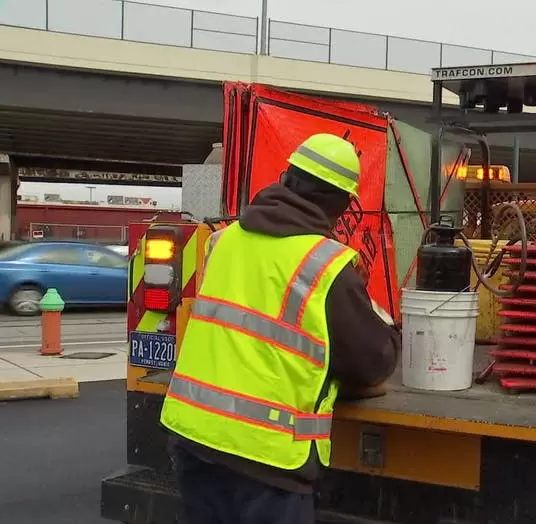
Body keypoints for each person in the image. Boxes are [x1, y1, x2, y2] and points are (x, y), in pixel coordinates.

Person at [160, 133, 401, 524]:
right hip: (267, 458)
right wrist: (390, 334)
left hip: (195, 439)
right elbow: (371, 362)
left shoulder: (222, 242)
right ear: (341, 205)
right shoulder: (326, 265)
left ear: (286, 178)